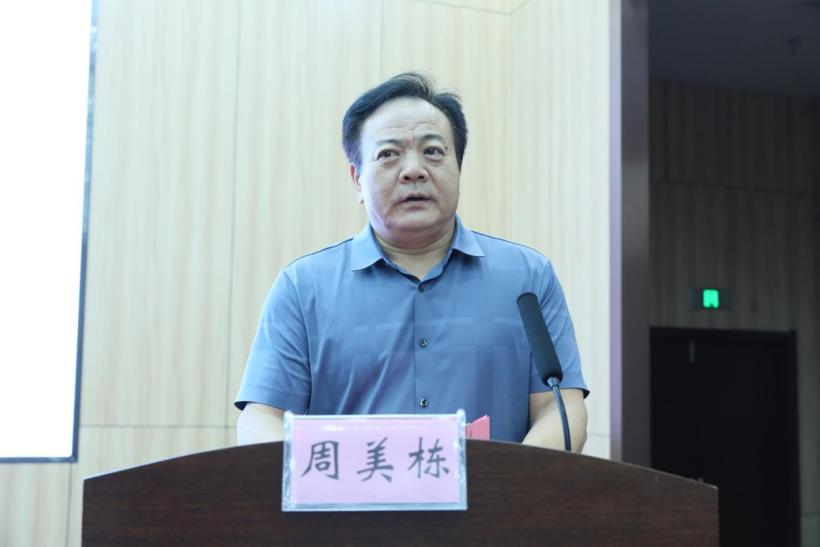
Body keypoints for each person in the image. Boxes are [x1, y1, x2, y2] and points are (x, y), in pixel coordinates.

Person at [235, 73, 588, 451]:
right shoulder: (304, 288)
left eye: (432, 151)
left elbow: (560, 409)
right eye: (389, 154)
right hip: (350, 492)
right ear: (357, 179)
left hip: (496, 491)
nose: (414, 170)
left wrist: (511, 484)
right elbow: (261, 417)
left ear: (458, 168)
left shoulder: (527, 278)